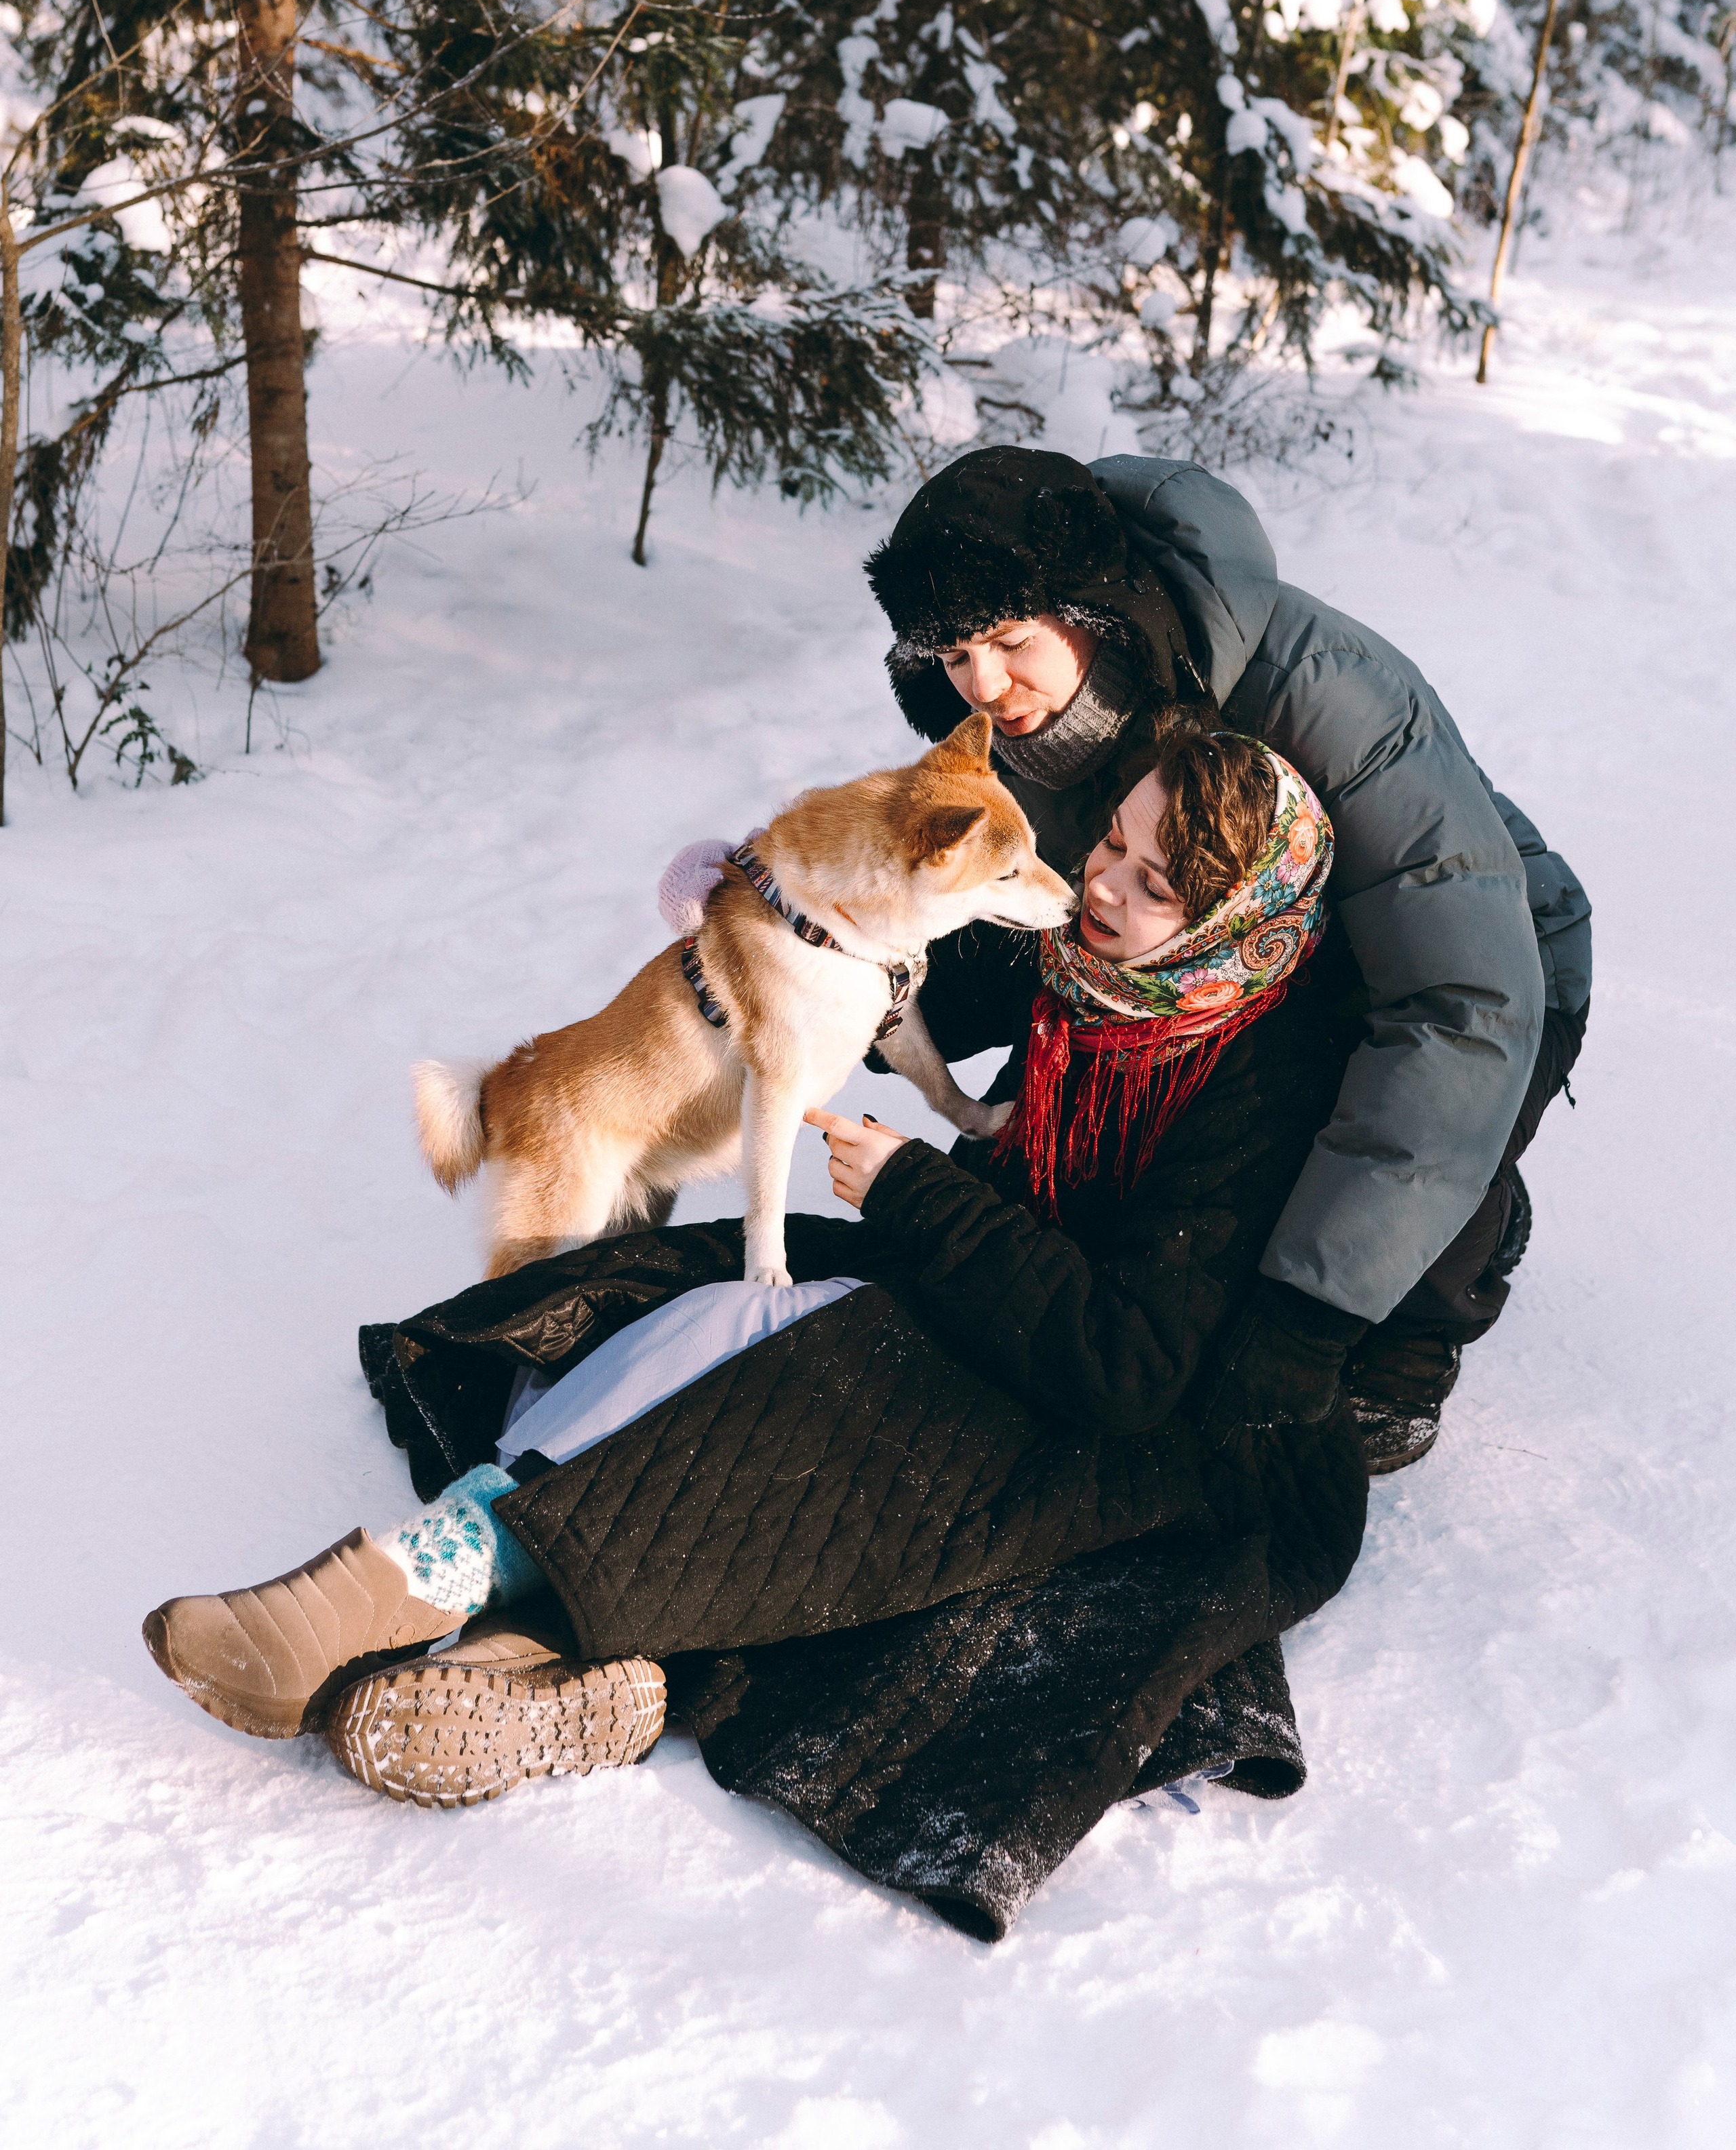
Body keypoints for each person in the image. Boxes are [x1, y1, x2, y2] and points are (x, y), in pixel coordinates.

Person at [145, 717, 1370, 1938]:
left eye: (1152, 884)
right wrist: (765, 903)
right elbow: (887, 934)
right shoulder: (1110, 976)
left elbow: (1132, 1364)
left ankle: (470, 1618)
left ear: (1228, 917)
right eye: (1110, 840)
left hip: (1129, 1429)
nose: (1099, 883)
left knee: (781, 1407)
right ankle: (489, 1623)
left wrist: (917, 1193)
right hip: (997, 1303)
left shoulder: (1260, 1082)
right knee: (696, 1311)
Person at [859, 447, 1592, 1469]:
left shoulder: (1326, 696)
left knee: (1376, 1147)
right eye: (952, 655)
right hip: (1218, 952)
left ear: (1094, 607)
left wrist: (1308, 1318)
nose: (984, 685)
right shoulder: (1028, 717)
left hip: (1474, 963)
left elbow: (1458, 1010)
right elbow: (1040, 911)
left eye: (1010, 641)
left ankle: (1437, 1298)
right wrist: (865, 981)